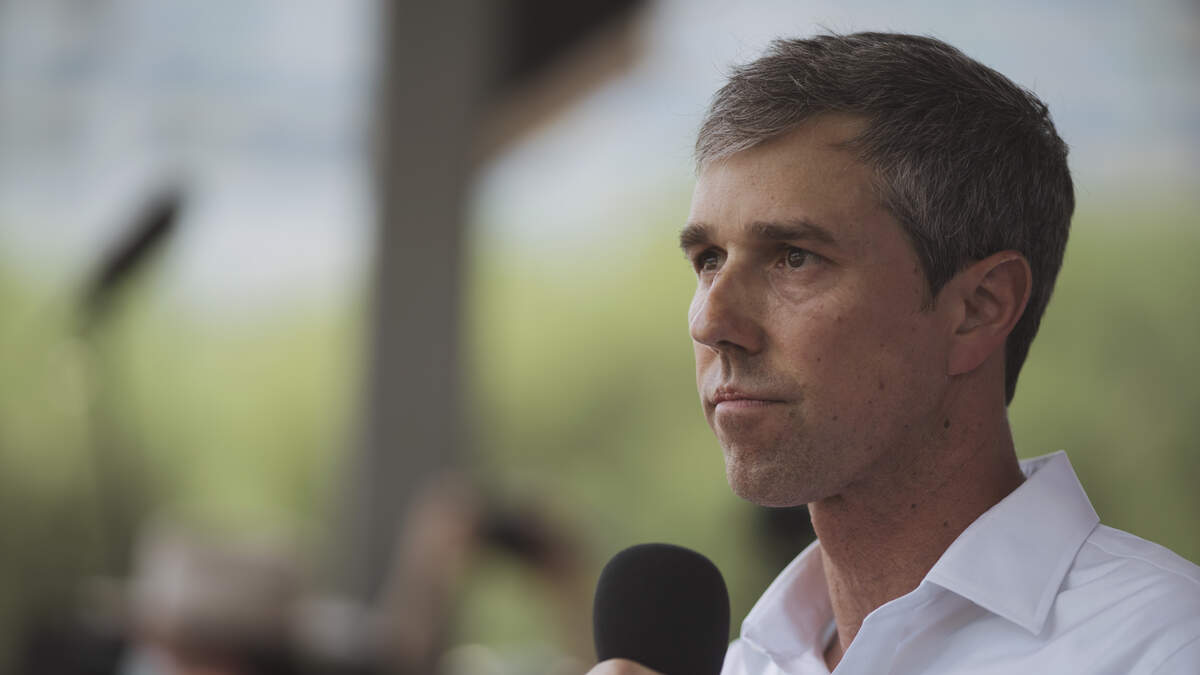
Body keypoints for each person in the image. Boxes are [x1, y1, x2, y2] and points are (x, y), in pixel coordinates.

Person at [590, 32, 1200, 674]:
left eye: (794, 258)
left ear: (980, 307)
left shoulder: (1165, 648)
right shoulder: (745, 665)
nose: (710, 322)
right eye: (709, 259)